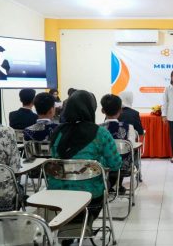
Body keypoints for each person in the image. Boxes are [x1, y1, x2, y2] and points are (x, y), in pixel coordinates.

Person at [49, 90, 122, 238]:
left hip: (58, 194)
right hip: (91, 196)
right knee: (106, 182)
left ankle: (72, 225)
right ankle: (84, 222)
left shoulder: (57, 132)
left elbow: (55, 160)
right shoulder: (100, 133)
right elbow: (115, 164)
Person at [100, 94, 135, 194]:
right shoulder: (129, 127)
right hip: (123, 166)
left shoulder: (97, 129)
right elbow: (131, 146)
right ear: (120, 110)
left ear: (102, 110)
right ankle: (118, 185)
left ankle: (109, 185)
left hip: (102, 167)